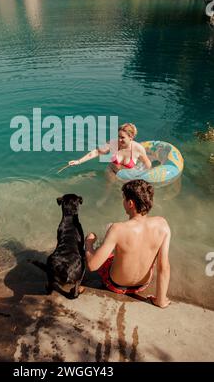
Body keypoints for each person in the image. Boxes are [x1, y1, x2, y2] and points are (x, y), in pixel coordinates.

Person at [85, 179, 171, 308]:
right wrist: (161, 300)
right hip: (142, 285)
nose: (123, 202)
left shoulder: (117, 228)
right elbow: (163, 267)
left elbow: (92, 266)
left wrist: (89, 243)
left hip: (115, 285)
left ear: (130, 203)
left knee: (102, 247)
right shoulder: (162, 225)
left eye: (124, 199)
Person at [69, 123, 152, 178]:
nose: (119, 140)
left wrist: (141, 175)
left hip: (128, 176)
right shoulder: (113, 143)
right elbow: (97, 152)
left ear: (131, 137)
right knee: (107, 191)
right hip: (111, 172)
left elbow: (147, 164)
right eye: (118, 136)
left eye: (122, 137)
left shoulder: (138, 149)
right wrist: (79, 161)